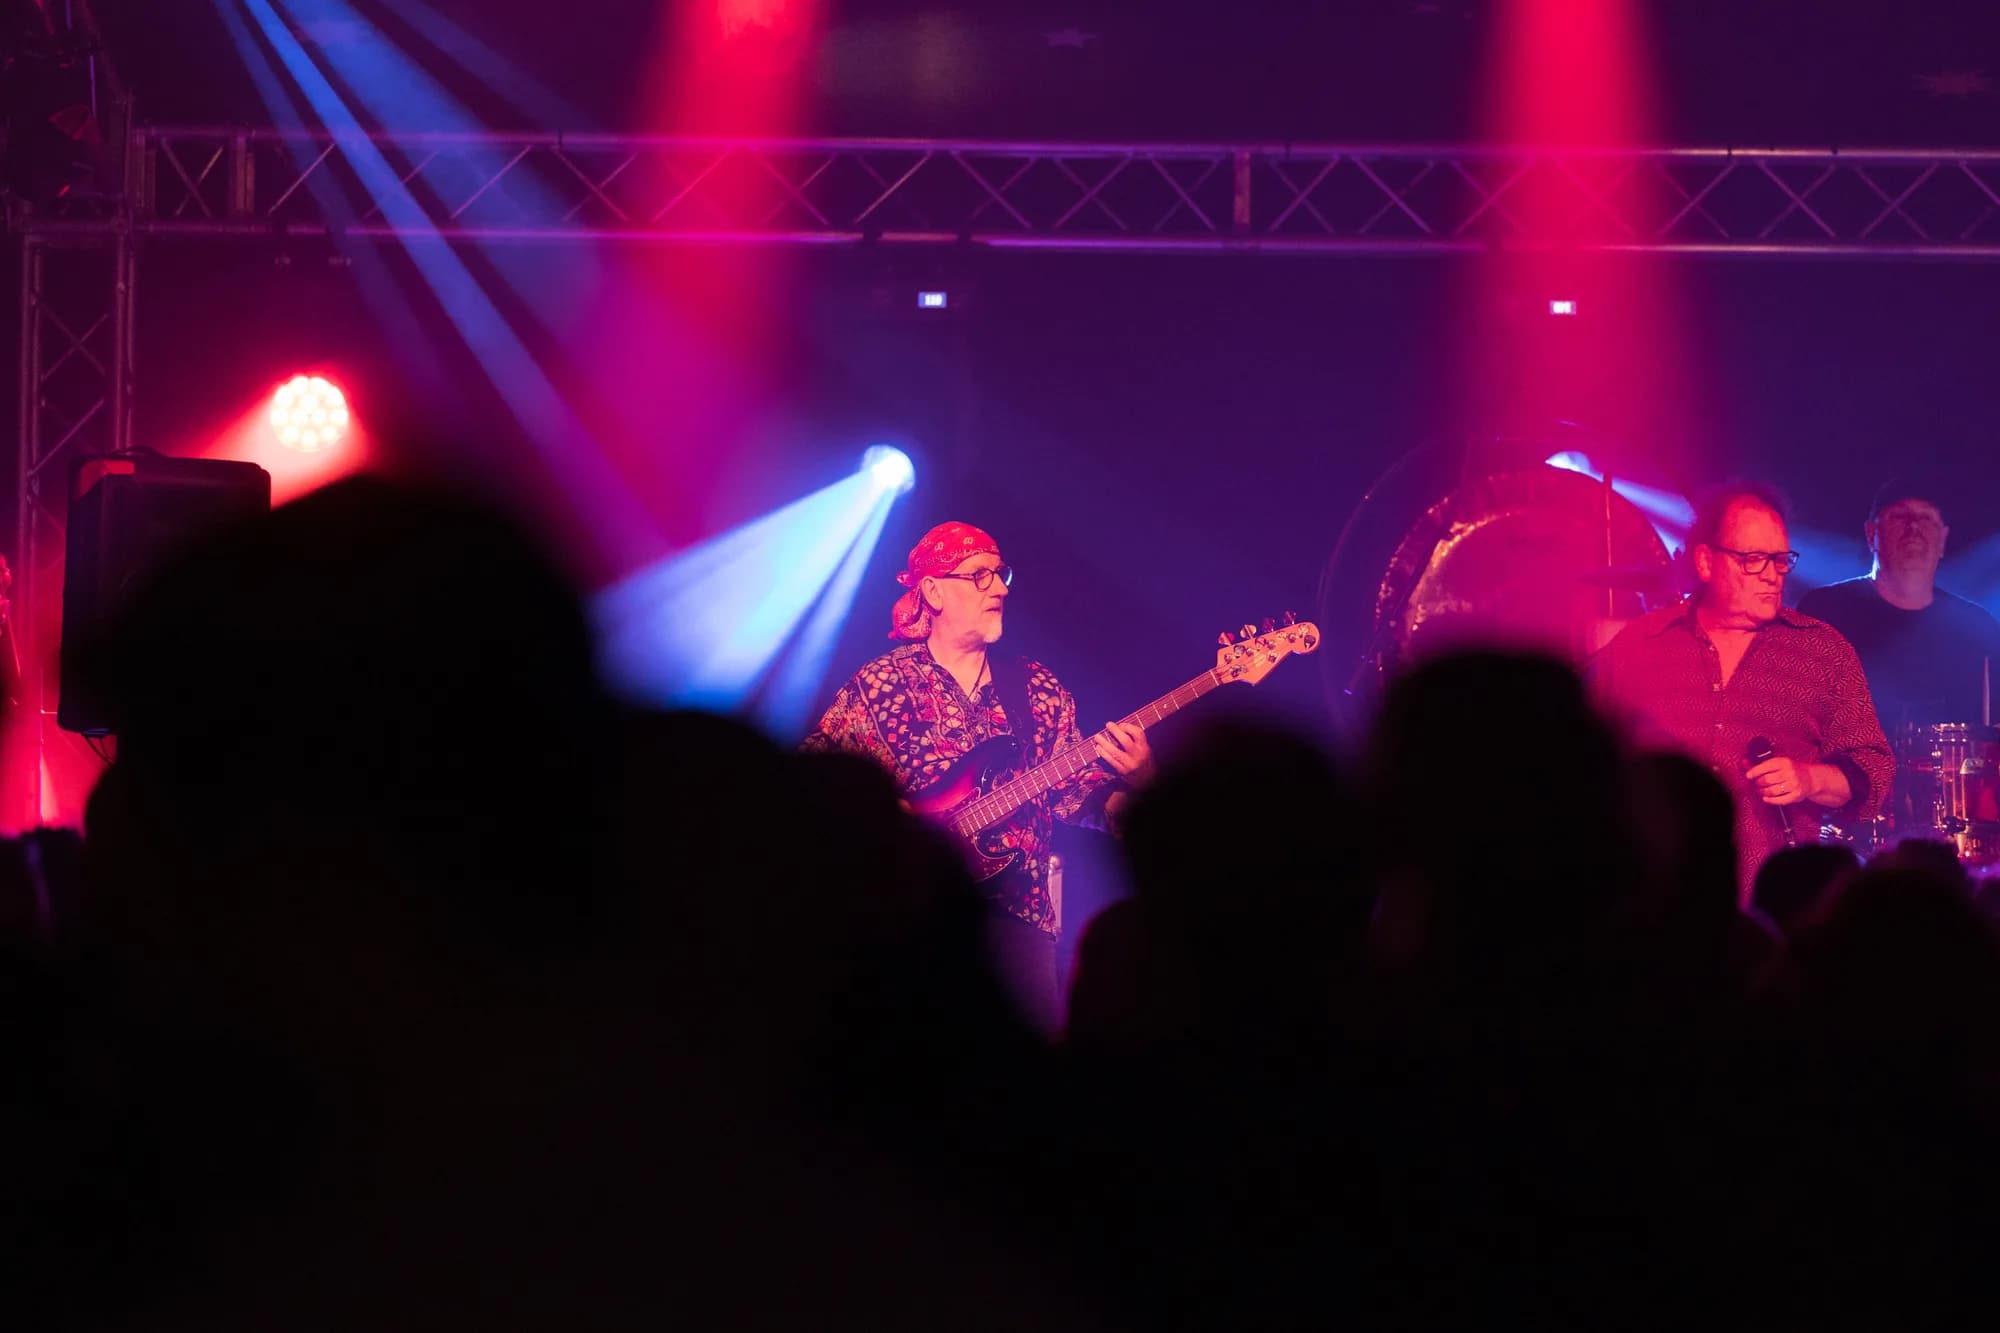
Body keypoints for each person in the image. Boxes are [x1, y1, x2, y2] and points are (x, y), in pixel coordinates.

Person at [802, 521, 1153, 1030]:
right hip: (910, 926)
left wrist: (1144, 779)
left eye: (1002, 574)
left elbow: (1088, 804)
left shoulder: (1035, 688)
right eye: (981, 575)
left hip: (1018, 929)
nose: (1001, 588)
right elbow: (811, 785)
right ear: (933, 590)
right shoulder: (883, 684)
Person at [1591, 484, 1893, 891]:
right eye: (1753, 560)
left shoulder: (1823, 652)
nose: (1772, 574)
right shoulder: (1639, 647)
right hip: (1648, 898)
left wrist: (1809, 779)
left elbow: (1874, 774)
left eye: (1781, 559)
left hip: (1765, 905)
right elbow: (1581, 759)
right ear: (1705, 562)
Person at [1796, 479, 2000, 731]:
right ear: (1871, 534)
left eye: (1926, 518)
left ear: (1943, 539)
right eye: (1899, 517)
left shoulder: (1977, 627)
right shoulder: (1823, 612)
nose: (1913, 527)